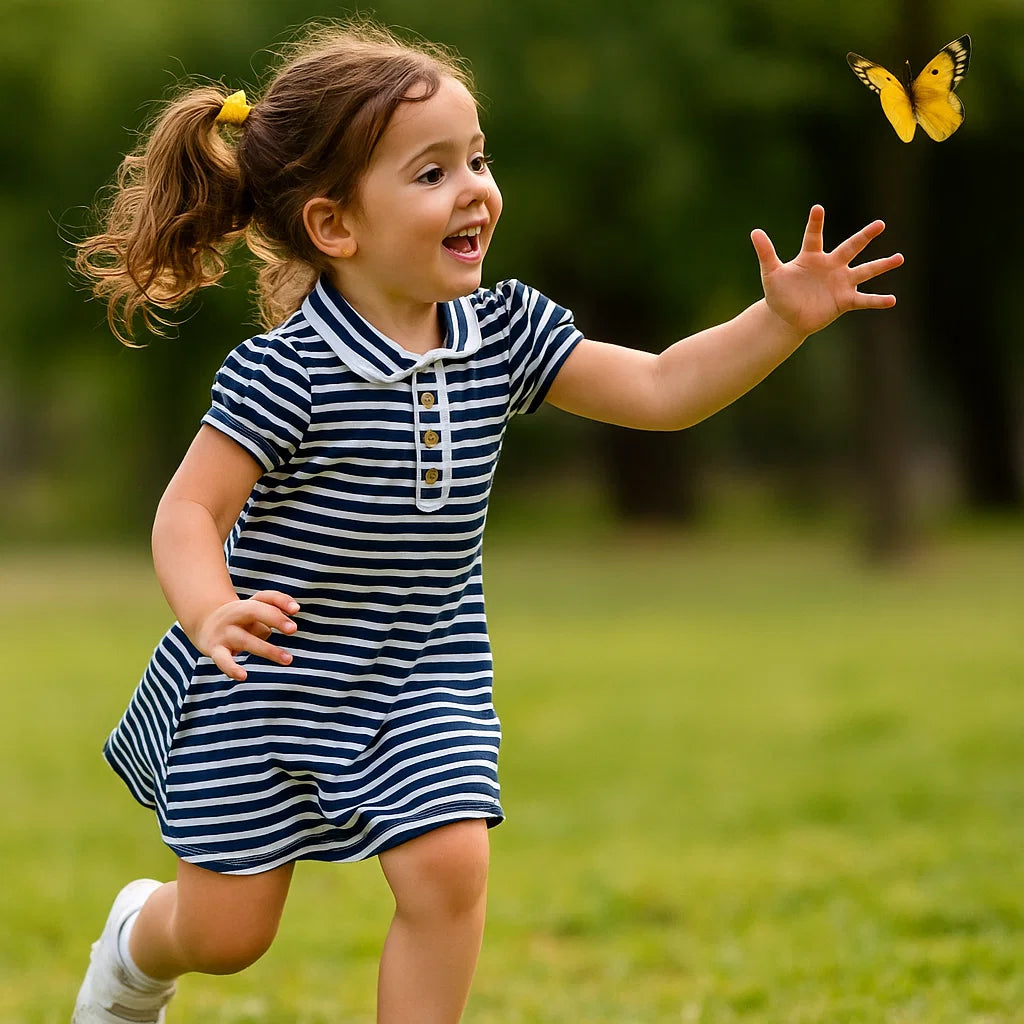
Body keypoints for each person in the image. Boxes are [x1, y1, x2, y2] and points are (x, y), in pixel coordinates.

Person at [71, 18, 903, 1024]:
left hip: (423, 668)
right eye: (431, 173)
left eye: (477, 158)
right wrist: (209, 612)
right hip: (270, 676)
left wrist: (776, 320)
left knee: (450, 867)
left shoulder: (503, 331)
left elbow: (659, 386)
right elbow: (188, 513)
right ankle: (130, 949)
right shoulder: (285, 371)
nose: (474, 189)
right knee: (226, 935)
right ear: (335, 226)